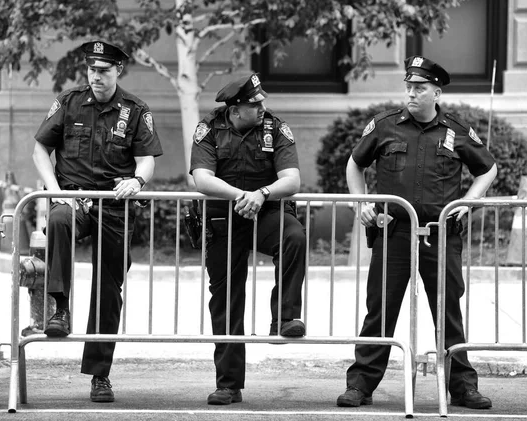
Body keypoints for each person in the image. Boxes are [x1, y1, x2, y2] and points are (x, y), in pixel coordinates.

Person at [337, 56, 498, 410]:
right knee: (379, 310)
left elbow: (488, 169)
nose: (411, 93)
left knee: (447, 312)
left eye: (419, 88)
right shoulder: (384, 126)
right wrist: (359, 202)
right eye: (409, 87)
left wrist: (468, 202)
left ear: (436, 92)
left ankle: (462, 386)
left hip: (440, 235)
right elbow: (355, 164)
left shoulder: (455, 131)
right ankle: (360, 385)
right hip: (393, 233)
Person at [32, 40, 163, 403]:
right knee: (58, 219)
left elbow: (147, 158)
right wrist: (55, 190)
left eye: (103, 71)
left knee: (109, 291)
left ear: (118, 71)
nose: (96, 77)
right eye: (92, 70)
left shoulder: (135, 110)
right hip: (74, 197)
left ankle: (99, 375)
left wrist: (137, 181)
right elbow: (40, 148)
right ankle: (60, 307)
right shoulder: (69, 101)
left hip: (114, 206)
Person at [190, 73, 306, 405]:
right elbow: (202, 178)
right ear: (237, 109)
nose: (262, 107)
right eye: (255, 104)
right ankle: (228, 384)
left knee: (293, 236)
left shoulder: (275, 127)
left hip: (266, 211)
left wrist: (261, 194)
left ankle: (284, 317)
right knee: (226, 300)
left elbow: (292, 179)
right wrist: (244, 195)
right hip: (224, 218)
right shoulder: (209, 129)